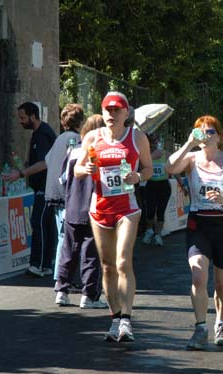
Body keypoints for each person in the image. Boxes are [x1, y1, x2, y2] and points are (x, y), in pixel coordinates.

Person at [74, 91, 152, 343]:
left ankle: (127, 321)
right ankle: (115, 318)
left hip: (127, 208)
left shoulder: (137, 138)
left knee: (122, 261)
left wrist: (138, 177)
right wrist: (84, 168)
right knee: (107, 266)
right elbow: (77, 168)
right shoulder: (92, 137)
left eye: (117, 109)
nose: (111, 114)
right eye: (108, 109)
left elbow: (148, 168)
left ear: (126, 113)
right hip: (99, 209)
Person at [165, 115, 223, 349]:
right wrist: (189, 143)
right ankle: (200, 328)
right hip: (198, 225)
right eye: (200, 132)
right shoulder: (191, 158)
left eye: (210, 132)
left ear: (219, 137)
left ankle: (221, 322)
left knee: (222, 283)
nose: (205, 136)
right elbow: (170, 167)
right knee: (198, 275)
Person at [54, 114, 107, 309]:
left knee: (69, 251)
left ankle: (62, 290)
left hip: (72, 205)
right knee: (91, 253)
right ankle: (90, 294)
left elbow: (63, 179)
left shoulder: (73, 151)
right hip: (94, 207)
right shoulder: (102, 151)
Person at [4, 101, 57, 277]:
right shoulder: (39, 133)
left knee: (39, 222)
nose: (20, 121)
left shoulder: (42, 134)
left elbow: (44, 163)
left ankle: (38, 265)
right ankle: (47, 263)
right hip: (42, 186)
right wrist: (25, 164)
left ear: (33, 116)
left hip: (45, 186)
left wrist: (21, 173)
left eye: (23, 117)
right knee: (46, 224)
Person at [45, 103, 84, 290]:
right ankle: (62, 279)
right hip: (65, 193)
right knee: (66, 238)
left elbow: (47, 160)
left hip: (52, 192)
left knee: (62, 235)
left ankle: (61, 277)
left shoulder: (59, 138)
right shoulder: (76, 140)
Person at [141, 133, 172, 246]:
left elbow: (174, 169)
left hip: (163, 185)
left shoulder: (166, 154)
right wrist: (152, 157)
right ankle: (149, 230)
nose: (154, 144)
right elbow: (140, 168)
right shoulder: (146, 154)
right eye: (152, 142)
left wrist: (181, 184)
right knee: (150, 210)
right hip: (151, 185)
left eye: (156, 142)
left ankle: (158, 234)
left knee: (161, 211)